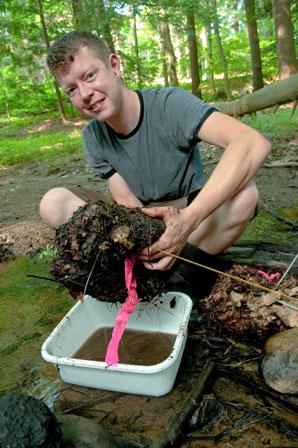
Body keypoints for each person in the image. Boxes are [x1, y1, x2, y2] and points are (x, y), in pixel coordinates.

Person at [39, 30, 271, 272]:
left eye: (90, 75)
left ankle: (175, 264)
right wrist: (140, 239)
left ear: (114, 66)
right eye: (72, 90)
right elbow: (126, 201)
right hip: (139, 218)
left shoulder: (170, 104)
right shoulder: (93, 137)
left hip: (189, 213)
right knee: (54, 203)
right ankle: (148, 263)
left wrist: (187, 220)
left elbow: (251, 142)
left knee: (245, 195)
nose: (85, 94)